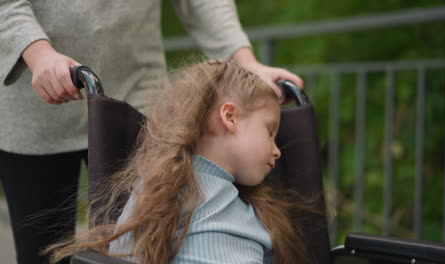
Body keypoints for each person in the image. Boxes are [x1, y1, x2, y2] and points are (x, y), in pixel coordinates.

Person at [0, 1, 303, 263]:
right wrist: (37, 53)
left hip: (136, 94)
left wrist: (246, 65)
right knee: (42, 252)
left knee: (148, 237)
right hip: (35, 101)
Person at [47, 60, 316, 264]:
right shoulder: (166, 190)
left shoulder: (250, 209)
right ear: (230, 117)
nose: (277, 151)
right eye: (269, 133)